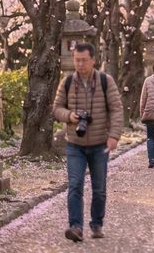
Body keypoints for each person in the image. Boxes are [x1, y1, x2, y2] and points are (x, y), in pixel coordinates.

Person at [53, 42, 123, 242]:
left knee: (99, 188)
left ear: (93, 59)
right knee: (75, 185)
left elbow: (117, 109)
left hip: (100, 143)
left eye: (84, 60)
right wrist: (70, 116)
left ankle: (97, 223)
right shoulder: (67, 82)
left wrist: (114, 136)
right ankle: (75, 227)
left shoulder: (104, 81)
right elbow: (56, 108)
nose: (80, 64)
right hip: (75, 143)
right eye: (77, 60)